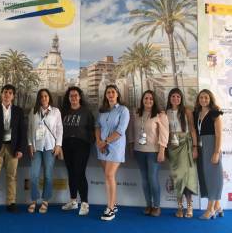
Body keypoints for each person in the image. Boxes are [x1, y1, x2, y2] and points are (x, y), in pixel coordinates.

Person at [0, 84, 27, 213]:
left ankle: (11, 202)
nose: (7, 95)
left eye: (10, 93)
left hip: (13, 148)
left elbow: (22, 132)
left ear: (13, 96)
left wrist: (20, 149)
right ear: (1, 94)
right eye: (5, 92)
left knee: (12, 176)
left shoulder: (18, 111)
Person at [129, 90, 168, 217]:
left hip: (154, 152)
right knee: (145, 180)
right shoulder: (136, 113)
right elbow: (131, 131)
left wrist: (162, 150)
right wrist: (131, 145)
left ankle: (156, 206)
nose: (148, 101)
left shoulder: (160, 115)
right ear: (142, 100)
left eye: (151, 99)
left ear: (154, 101)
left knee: (153, 179)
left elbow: (164, 133)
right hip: (139, 151)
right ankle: (148, 205)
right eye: (146, 98)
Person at [95, 84, 130, 221]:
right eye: (108, 92)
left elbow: (120, 131)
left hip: (115, 147)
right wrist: (99, 141)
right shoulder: (102, 111)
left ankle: (110, 210)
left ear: (117, 94)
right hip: (101, 147)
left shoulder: (123, 110)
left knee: (109, 175)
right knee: (109, 176)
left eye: (113, 92)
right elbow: (97, 126)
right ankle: (113, 204)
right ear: (105, 95)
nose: (110, 94)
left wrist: (105, 142)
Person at [27, 89, 63, 214]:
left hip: (50, 147)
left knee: (48, 175)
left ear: (49, 98)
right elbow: (29, 129)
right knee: (34, 175)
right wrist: (30, 145)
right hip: (36, 147)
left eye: (46, 96)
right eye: (41, 96)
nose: (43, 98)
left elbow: (59, 129)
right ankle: (34, 199)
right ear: (39, 98)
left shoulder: (56, 111)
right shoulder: (33, 111)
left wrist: (58, 145)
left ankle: (45, 200)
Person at [60, 86, 95, 216]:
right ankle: (73, 201)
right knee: (71, 173)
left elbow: (92, 129)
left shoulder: (86, 112)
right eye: (71, 96)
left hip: (82, 145)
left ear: (80, 97)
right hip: (67, 145)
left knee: (79, 173)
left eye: (76, 95)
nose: (73, 97)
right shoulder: (64, 112)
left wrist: (88, 142)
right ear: (68, 98)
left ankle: (85, 203)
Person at [165, 88, 198, 218]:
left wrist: (195, 147)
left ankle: (190, 207)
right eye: (173, 96)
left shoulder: (187, 111)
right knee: (177, 178)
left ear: (181, 98)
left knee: (187, 177)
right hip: (172, 148)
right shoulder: (165, 113)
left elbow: (193, 130)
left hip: (186, 146)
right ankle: (179, 207)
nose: (175, 99)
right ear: (169, 98)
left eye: (178, 96)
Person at [193, 89, 224, 220]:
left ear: (210, 99)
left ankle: (210, 209)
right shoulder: (197, 113)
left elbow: (219, 135)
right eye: (201, 98)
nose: (203, 100)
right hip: (201, 147)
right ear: (198, 100)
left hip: (212, 146)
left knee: (213, 177)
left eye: (206, 97)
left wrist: (216, 152)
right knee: (205, 176)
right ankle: (217, 206)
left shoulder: (215, 113)